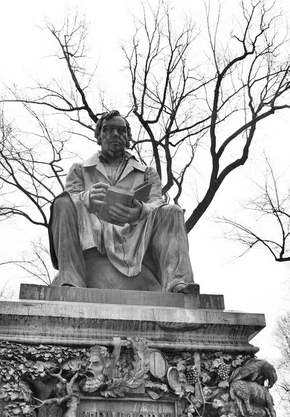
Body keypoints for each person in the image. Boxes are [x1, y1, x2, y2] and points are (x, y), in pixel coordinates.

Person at [50, 110, 196, 291]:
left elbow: (157, 203)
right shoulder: (80, 170)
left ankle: (178, 283)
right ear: (99, 136)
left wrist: (140, 210)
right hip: (95, 239)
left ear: (128, 138)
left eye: (121, 131)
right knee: (62, 203)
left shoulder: (147, 173)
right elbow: (68, 204)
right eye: (108, 130)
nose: (115, 135)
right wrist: (86, 199)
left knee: (172, 211)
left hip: (134, 238)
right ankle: (71, 282)